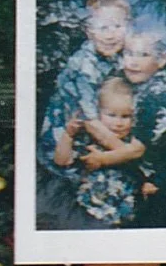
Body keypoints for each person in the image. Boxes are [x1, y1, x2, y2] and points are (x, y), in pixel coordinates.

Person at [36, 0, 131, 228]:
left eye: (117, 26)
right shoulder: (83, 66)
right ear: (89, 31)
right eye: (103, 28)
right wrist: (131, 156)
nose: (111, 35)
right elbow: (92, 124)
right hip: (66, 150)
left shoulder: (120, 55)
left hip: (100, 137)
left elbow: (149, 74)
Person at [119, 27, 166, 226]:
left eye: (143, 55)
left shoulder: (155, 95)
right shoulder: (147, 83)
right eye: (128, 54)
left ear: (161, 60)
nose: (133, 62)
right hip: (158, 176)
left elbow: (137, 149)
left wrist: (99, 159)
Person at [53, 75, 145, 226]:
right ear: (98, 113)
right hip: (88, 209)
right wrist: (68, 135)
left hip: (126, 209)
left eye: (126, 116)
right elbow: (61, 161)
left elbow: (143, 166)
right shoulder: (89, 139)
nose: (118, 123)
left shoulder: (132, 142)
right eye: (111, 115)